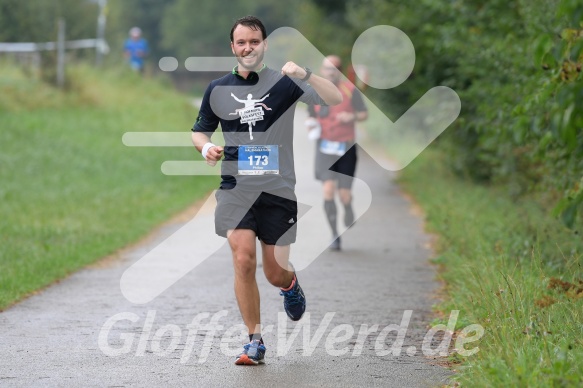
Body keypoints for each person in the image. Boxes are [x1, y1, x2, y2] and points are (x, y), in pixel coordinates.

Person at [191, 16, 342, 365]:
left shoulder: (284, 82)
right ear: (232, 47)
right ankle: (254, 341)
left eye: (254, 41)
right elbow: (199, 130)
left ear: (264, 45)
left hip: (278, 190)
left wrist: (304, 73)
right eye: (241, 42)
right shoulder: (217, 88)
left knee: (274, 271)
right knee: (243, 259)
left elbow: (334, 98)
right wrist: (204, 148)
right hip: (235, 187)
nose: (248, 48)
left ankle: (289, 285)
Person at [306, 55, 368, 251]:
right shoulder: (315, 92)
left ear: (339, 71)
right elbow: (311, 115)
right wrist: (311, 125)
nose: (330, 72)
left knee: (344, 195)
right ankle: (335, 234)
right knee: (328, 190)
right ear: (322, 70)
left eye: (334, 69)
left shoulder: (350, 91)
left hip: (346, 147)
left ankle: (348, 207)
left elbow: (364, 113)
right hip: (324, 147)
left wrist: (351, 116)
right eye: (326, 68)